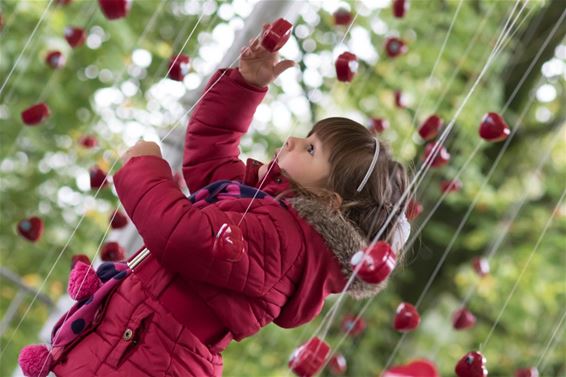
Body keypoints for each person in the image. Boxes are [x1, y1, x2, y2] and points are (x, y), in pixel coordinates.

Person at [19, 33, 410, 377]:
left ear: (331, 198)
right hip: (132, 340)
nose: (292, 140)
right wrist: (246, 86)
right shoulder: (263, 206)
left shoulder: (287, 242)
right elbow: (211, 156)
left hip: (146, 353)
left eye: (310, 148)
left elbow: (185, 237)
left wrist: (144, 169)